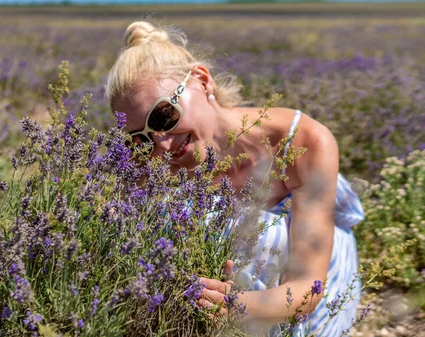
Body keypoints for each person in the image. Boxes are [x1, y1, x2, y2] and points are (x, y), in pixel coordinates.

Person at [105, 21, 365, 336]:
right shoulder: (155, 163)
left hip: (301, 301)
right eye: (140, 138)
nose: (161, 143)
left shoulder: (301, 142)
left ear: (202, 80)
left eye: (162, 116)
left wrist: (236, 307)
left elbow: (307, 289)